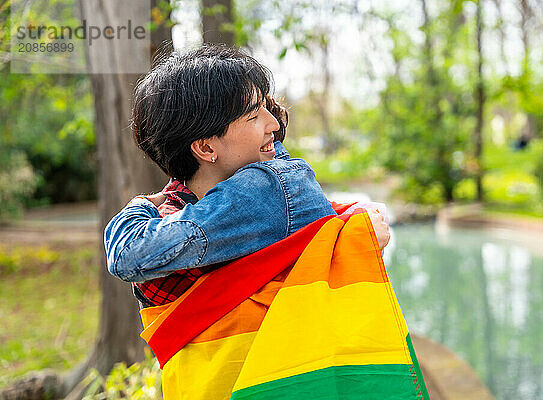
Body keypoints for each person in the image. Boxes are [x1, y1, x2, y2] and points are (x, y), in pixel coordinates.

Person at [104, 44, 390, 307]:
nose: (273, 124)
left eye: (266, 108)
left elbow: (126, 253)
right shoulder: (188, 206)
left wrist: (142, 203)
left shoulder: (270, 187)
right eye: (254, 115)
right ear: (205, 147)